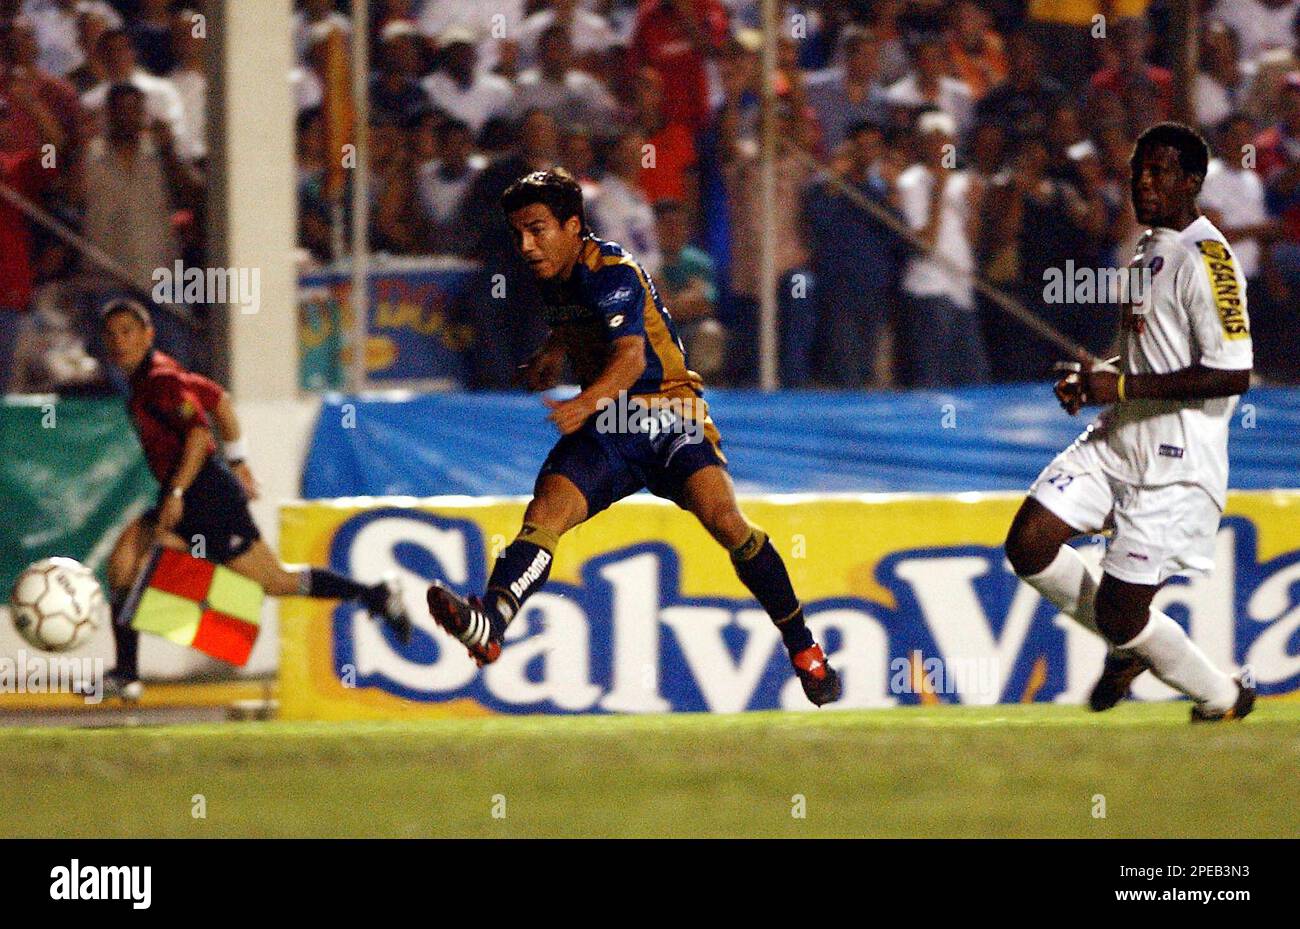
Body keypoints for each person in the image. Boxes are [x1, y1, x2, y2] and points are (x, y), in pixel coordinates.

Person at [424, 168, 841, 707]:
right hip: (609, 423)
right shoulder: (554, 272)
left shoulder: (613, 270)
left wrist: (583, 402)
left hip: (665, 412)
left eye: (536, 229)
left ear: (572, 225)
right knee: (545, 515)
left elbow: (630, 357)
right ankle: (491, 623)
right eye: (518, 233)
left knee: (724, 520)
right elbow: (576, 321)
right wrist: (553, 354)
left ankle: (804, 649)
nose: (525, 246)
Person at [1004, 123, 1256, 723]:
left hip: (1173, 462)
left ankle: (1222, 695)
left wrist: (1115, 385)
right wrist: (1097, 375)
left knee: (1121, 614)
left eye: (1161, 172)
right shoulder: (1147, 247)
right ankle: (1131, 643)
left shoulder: (1210, 259)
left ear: (1192, 182)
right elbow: (1154, 356)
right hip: (1119, 440)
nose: (1145, 182)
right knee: (1029, 544)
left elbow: (1232, 373)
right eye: (1139, 170)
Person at [96, 300, 413, 700]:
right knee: (123, 563)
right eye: (111, 334)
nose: (119, 341)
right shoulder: (155, 377)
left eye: (128, 331)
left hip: (206, 497)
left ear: (147, 335)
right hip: (182, 494)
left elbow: (197, 434)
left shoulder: (160, 380)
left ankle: (376, 594)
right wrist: (240, 460)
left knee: (276, 582)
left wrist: (180, 489)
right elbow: (219, 400)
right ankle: (126, 674)